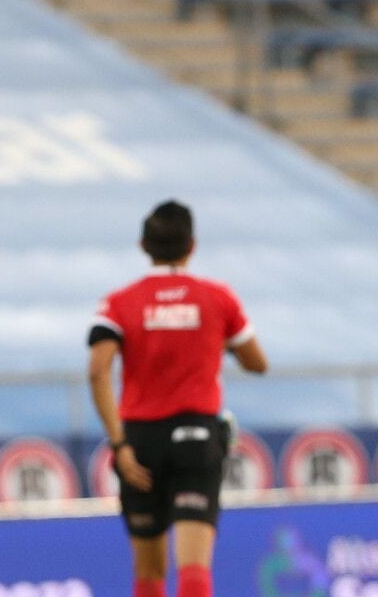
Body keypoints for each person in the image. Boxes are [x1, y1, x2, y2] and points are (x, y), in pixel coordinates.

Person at [87, 200, 267, 597]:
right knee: (193, 568)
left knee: (149, 572)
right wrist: (212, 339)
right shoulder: (217, 298)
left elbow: (98, 371)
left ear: (143, 245)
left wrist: (118, 445)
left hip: (138, 443)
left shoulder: (118, 303)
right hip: (196, 439)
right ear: (192, 245)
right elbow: (257, 363)